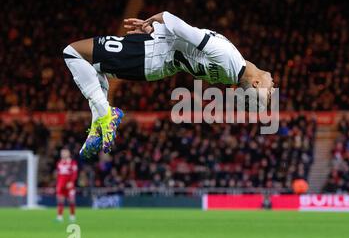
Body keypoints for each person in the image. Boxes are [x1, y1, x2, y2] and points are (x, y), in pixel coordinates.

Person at [63, 11, 274, 160]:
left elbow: (181, 28)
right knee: (95, 68)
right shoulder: (230, 78)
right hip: (154, 62)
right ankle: (97, 124)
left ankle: (106, 114)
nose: (273, 86)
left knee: (72, 52)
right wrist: (152, 30)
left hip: (147, 53)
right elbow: (185, 49)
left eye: (269, 90)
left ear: (255, 84)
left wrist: (158, 18)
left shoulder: (228, 56)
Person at [55, 148, 78, 222]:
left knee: (71, 200)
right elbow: (58, 175)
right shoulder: (59, 163)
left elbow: (75, 174)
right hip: (61, 185)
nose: (63, 154)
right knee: (60, 200)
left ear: (68, 154)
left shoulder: (72, 163)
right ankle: (59, 216)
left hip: (69, 185)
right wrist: (57, 184)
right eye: (62, 153)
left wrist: (71, 182)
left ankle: (72, 216)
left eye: (65, 153)